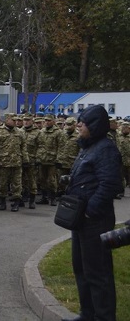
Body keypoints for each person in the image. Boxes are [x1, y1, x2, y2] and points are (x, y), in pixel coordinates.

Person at [63, 105, 122, 321]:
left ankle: (104, 317)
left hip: (95, 221)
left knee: (98, 273)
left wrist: (90, 211)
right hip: (82, 220)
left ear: (95, 126)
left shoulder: (105, 148)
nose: (78, 125)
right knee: (82, 269)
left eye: (83, 122)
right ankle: (87, 314)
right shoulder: (89, 147)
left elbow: (111, 184)